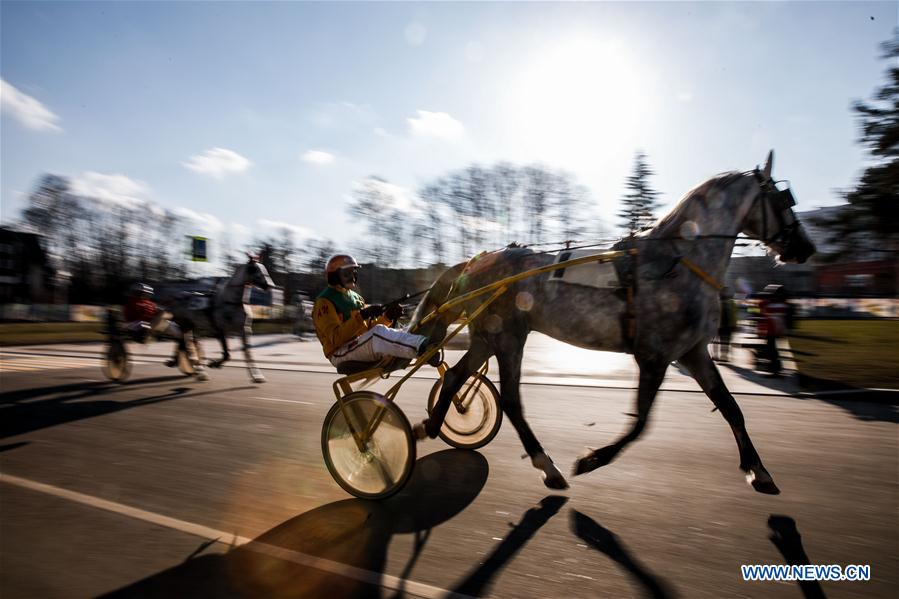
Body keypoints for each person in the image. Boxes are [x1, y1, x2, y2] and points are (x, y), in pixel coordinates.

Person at [312, 255, 439, 369]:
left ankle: (425, 343)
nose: (352, 277)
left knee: (403, 331)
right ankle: (423, 348)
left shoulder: (356, 298)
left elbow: (369, 329)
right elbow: (335, 339)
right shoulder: (324, 301)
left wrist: (387, 317)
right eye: (347, 273)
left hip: (358, 346)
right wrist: (362, 316)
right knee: (377, 334)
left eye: (354, 272)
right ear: (334, 276)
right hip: (339, 353)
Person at [757, 284, 789, 377]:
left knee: (772, 351)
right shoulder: (781, 304)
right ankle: (774, 369)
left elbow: (764, 309)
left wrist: (763, 300)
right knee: (772, 350)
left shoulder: (775, 305)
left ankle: (775, 370)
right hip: (775, 330)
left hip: (773, 331)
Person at [715, 286, 737, 362]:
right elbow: (734, 315)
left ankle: (722, 356)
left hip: (723, 325)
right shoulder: (730, 303)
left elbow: (734, 315)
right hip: (725, 325)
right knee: (724, 341)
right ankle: (723, 356)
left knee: (723, 341)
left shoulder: (721, 302)